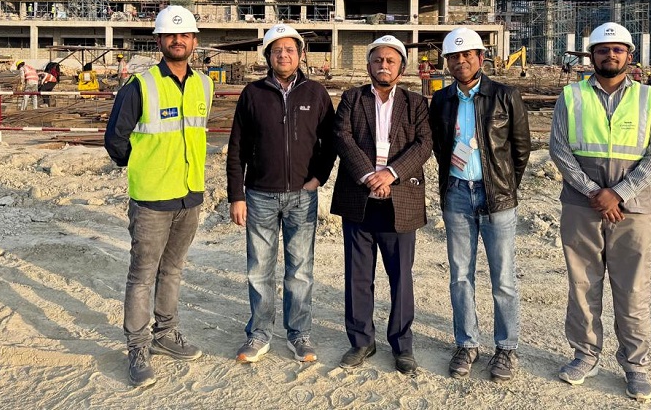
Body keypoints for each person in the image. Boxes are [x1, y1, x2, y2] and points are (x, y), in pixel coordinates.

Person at [549, 22, 651, 403]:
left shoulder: (650, 99)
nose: (610, 55)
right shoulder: (571, 96)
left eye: (618, 49)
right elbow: (559, 149)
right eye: (603, 50)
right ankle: (585, 355)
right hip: (581, 205)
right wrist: (593, 192)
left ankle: (635, 365)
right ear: (592, 56)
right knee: (582, 284)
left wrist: (617, 194)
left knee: (632, 288)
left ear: (629, 55)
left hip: (633, 209)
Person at [104, 5, 214, 388]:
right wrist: (144, 166)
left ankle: (165, 334)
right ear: (159, 41)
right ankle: (137, 347)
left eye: (184, 35)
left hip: (189, 197)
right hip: (151, 200)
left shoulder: (204, 85)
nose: (178, 40)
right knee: (142, 275)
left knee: (173, 270)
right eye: (171, 35)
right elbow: (115, 140)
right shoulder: (140, 85)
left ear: (194, 41)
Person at [226, 24, 336, 364]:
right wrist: (236, 194)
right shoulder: (252, 94)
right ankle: (259, 333)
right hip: (260, 195)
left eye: (289, 49)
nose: (283, 55)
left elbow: (331, 141)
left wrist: (318, 178)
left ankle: (299, 333)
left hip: (302, 196)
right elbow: (236, 148)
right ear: (268, 56)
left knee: (300, 269)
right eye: (277, 50)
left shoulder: (316, 93)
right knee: (259, 269)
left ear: (300, 54)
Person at [428, 27, 531, 382]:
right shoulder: (441, 100)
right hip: (457, 195)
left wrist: (503, 187)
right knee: (460, 275)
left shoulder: (505, 96)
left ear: (480, 58)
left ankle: (506, 347)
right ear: (447, 62)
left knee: (503, 277)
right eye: (454, 57)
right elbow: (440, 147)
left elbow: (521, 150)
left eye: (467, 55)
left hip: (497, 197)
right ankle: (467, 343)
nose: (460, 61)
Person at [332, 35, 431, 376]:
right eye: (377, 60)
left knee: (401, 278)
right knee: (358, 276)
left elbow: (424, 144)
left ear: (402, 68)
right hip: (359, 199)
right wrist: (369, 176)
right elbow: (342, 137)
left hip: (399, 200)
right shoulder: (352, 98)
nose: (383, 65)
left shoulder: (416, 103)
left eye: (390, 61)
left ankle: (402, 346)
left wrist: (390, 174)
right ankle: (361, 341)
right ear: (368, 66)